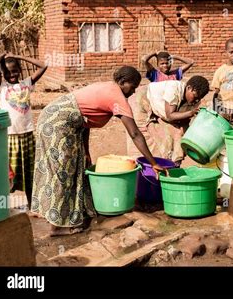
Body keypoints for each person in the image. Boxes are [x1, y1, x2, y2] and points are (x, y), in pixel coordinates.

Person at [31, 66, 168, 236]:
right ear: (122, 82)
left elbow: (85, 121)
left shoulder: (108, 88)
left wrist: (86, 150)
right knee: (63, 171)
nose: (133, 92)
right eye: (132, 87)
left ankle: (72, 215)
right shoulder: (116, 95)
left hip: (60, 120)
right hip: (58, 124)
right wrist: (153, 163)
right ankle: (57, 225)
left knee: (75, 167)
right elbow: (134, 133)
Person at [0, 52, 48, 210]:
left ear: (20, 70)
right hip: (10, 137)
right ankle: (4, 208)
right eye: (7, 72)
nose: (11, 74)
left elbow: (43, 65)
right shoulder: (1, 88)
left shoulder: (26, 84)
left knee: (30, 174)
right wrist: (4, 56)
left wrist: (19, 56)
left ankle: (32, 206)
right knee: (9, 176)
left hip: (28, 135)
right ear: (3, 74)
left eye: (15, 70)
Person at [131, 76, 210, 166]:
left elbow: (183, 125)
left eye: (198, 99)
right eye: (195, 97)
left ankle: (171, 164)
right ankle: (140, 166)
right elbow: (170, 116)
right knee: (142, 135)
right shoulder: (174, 89)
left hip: (159, 110)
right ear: (189, 88)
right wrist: (190, 113)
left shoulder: (193, 101)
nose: (196, 100)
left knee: (172, 135)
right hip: (143, 100)